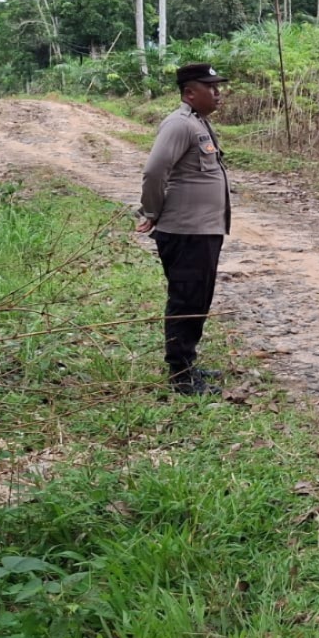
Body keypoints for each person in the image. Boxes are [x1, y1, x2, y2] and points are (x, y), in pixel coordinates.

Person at [137, 63, 232, 395]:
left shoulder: (198, 122)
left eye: (218, 86)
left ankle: (187, 363)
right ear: (190, 92)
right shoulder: (179, 124)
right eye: (210, 87)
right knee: (186, 301)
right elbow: (154, 171)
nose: (218, 93)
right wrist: (151, 211)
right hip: (187, 231)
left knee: (197, 299)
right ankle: (181, 376)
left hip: (202, 231)